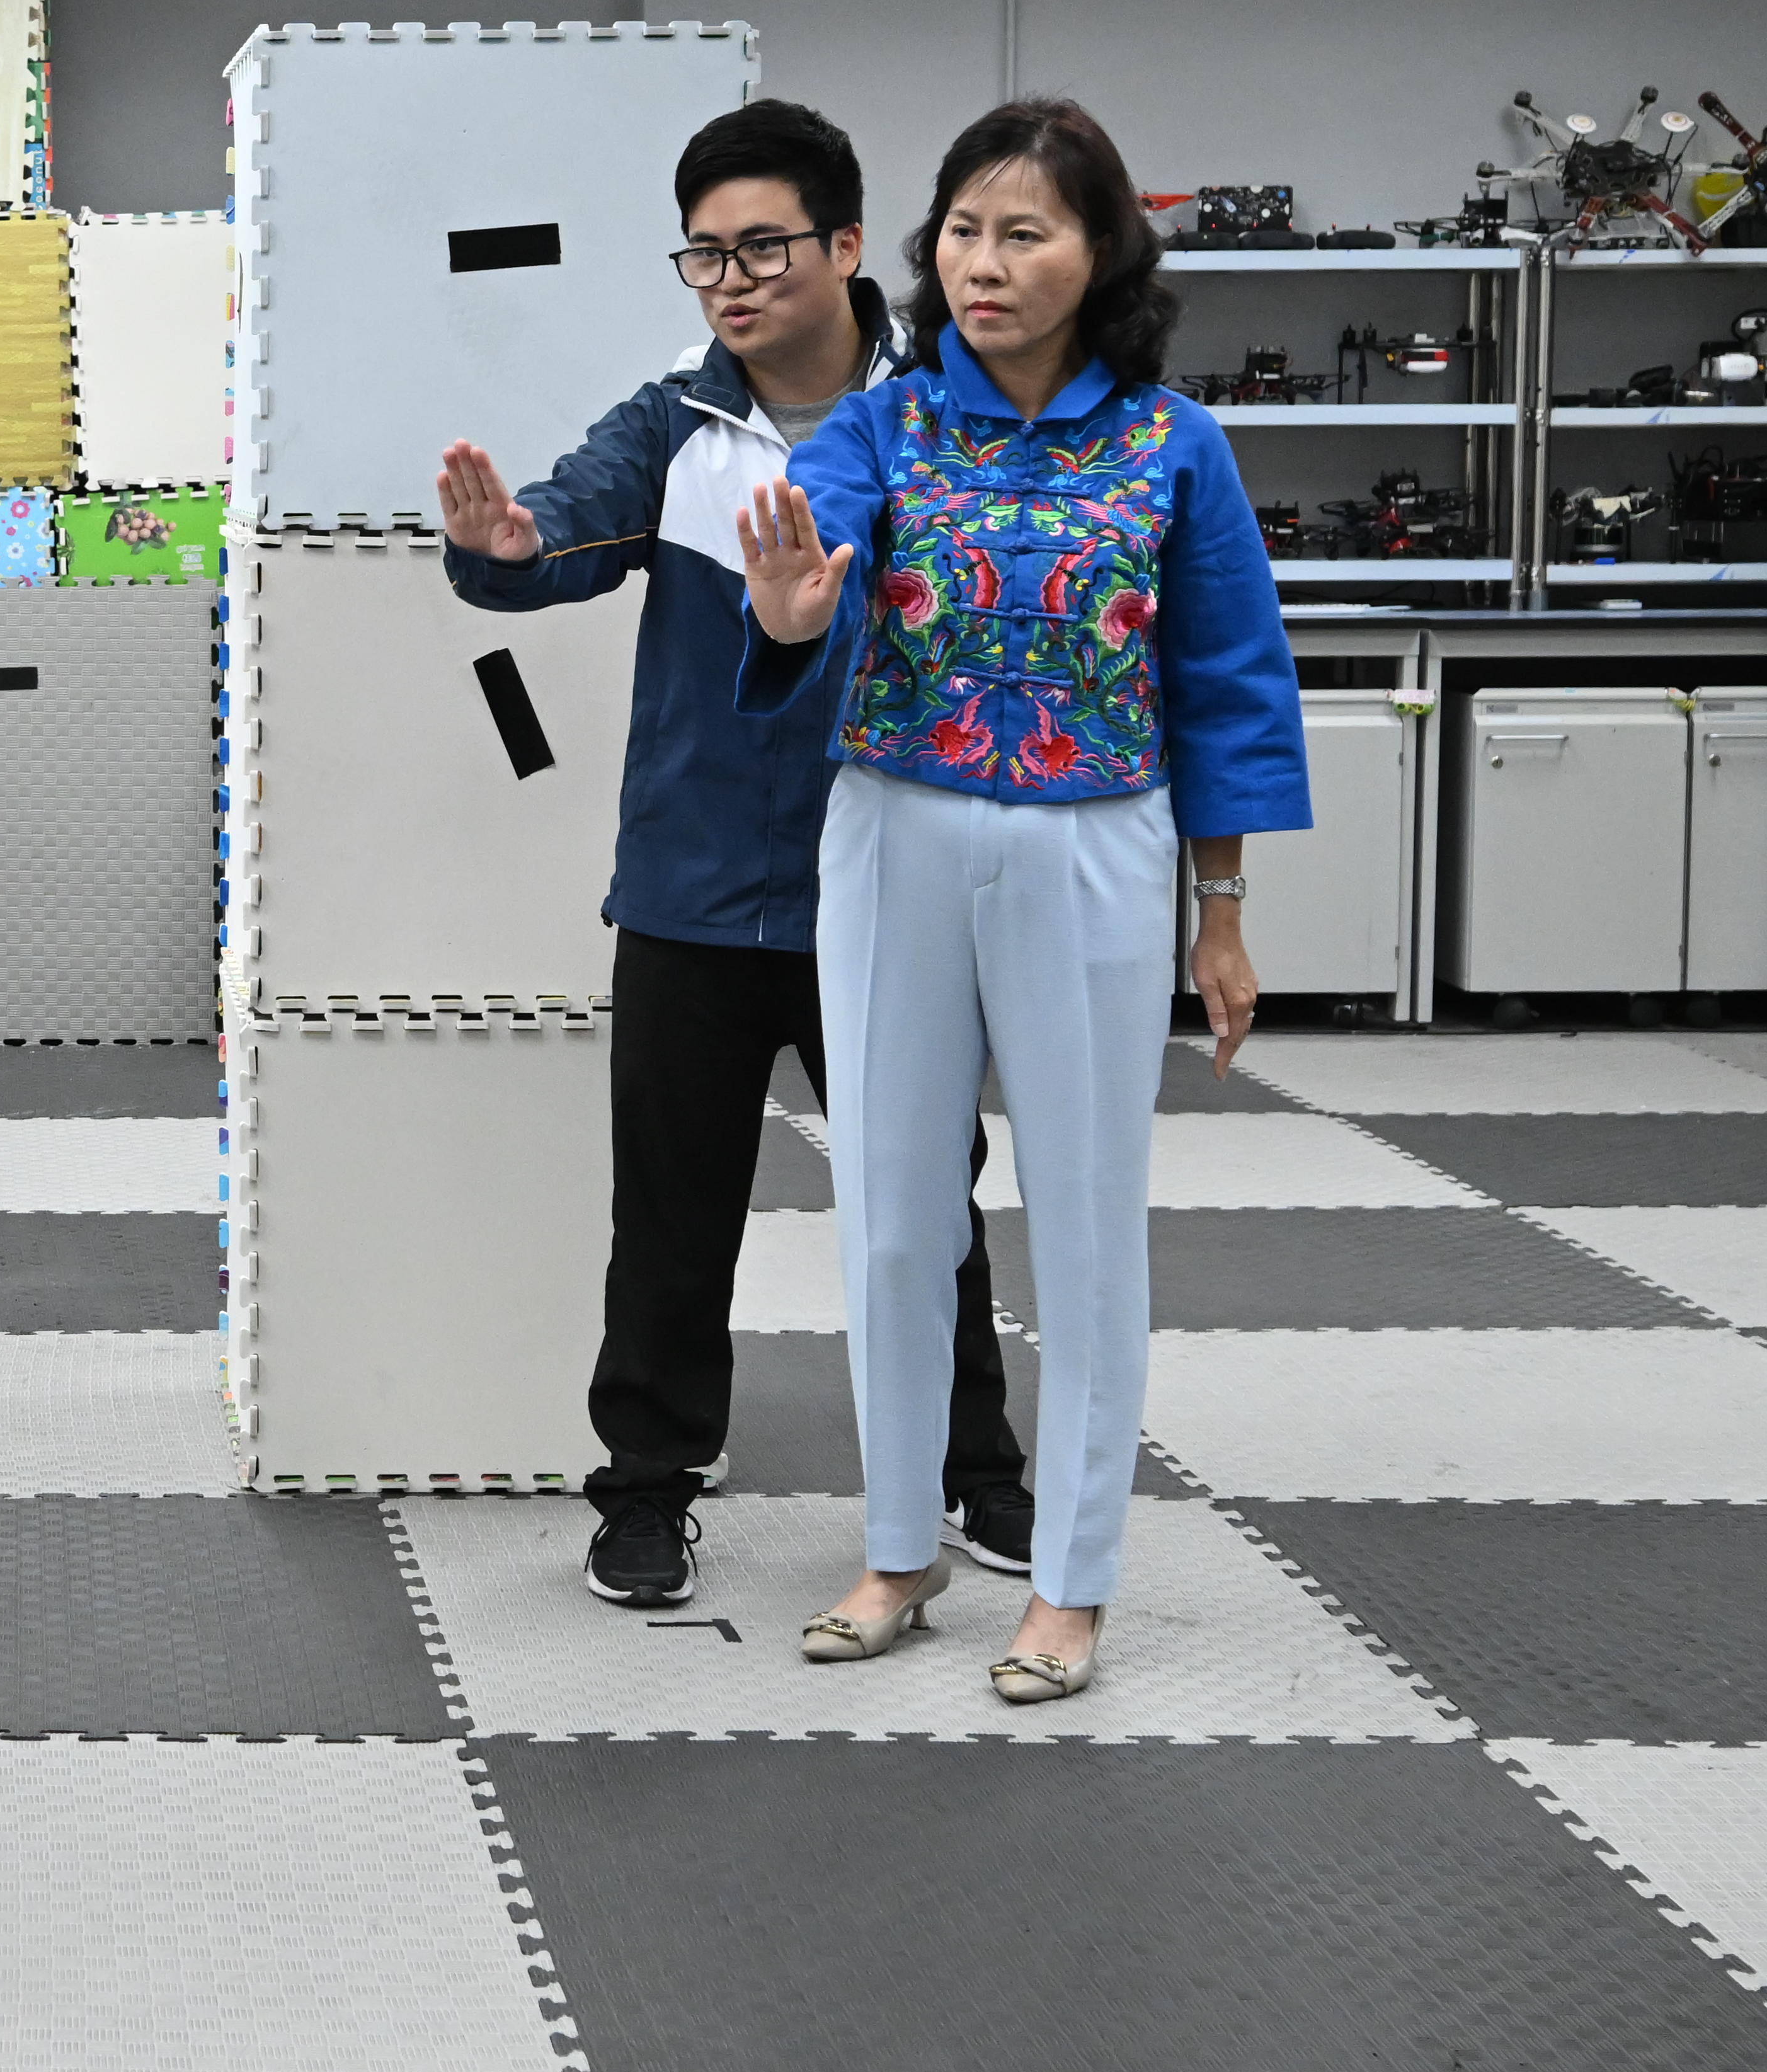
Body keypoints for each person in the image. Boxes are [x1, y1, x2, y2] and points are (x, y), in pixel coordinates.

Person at [731, 96, 1307, 1705]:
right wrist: (791, 612)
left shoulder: (1176, 445)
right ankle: (898, 1550)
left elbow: (1229, 683)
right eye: (964, 233)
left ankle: (1072, 1581)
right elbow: (815, 557)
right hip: (895, 827)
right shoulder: (886, 424)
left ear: (1101, 253)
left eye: (1024, 233)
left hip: (1098, 840)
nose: (982, 265)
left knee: (1088, 1211)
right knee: (891, 1210)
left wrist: (1222, 909)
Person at [432, 98, 1034, 1618]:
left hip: (889, 886)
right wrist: (502, 547)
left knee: (926, 1201)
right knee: (672, 1215)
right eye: (705, 255)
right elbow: (552, 536)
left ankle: (977, 1466)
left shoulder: (946, 420)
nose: (733, 281)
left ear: (847, 245)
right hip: (691, 891)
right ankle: (645, 1489)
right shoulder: (672, 428)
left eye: (764, 248)